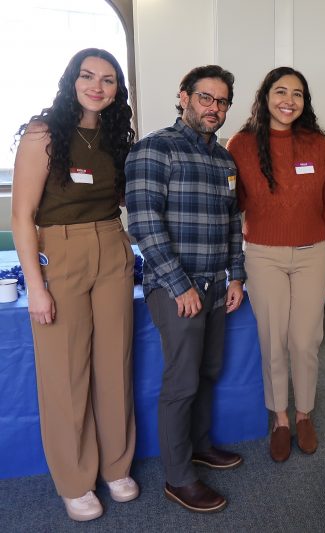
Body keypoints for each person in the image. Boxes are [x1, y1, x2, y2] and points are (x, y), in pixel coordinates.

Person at [11, 48, 137, 522]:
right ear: (72, 80)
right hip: (60, 252)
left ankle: (115, 466)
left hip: (111, 244)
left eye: (107, 80)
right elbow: (22, 216)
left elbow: (125, 198)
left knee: (115, 364)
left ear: (117, 90)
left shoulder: (115, 137)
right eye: (88, 77)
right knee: (65, 373)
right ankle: (75, 479)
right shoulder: (43, 133)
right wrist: (35, 286)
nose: (97, 87)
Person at [125, 64, 246, 514]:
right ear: (184, 97)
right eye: (205, 98)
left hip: (217, 286)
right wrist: (180, 285)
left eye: (222, 102)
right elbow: (145, 225)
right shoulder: (154, 150)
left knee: (208, 371)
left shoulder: (225, 159)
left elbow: (233, 223)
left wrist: (236, 275)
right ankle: (178, 477)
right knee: (181, 382)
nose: (214, 108)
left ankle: (199, 445)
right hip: (176, 288)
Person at [226, 67, 325, 463]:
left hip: (314, 253)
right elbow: (232, 204)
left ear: (304, 101)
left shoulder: (318, 144)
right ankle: (280, 418)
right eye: (281, 91)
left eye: (297, 93)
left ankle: (304, 413)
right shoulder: (240, 144)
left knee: (305, 340)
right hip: (263, 255)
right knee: (273, 340)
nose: (288, 100)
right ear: (265, 97)